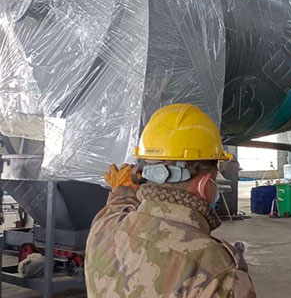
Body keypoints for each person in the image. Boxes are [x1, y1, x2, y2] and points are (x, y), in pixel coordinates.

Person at [85, 104, 256, 298]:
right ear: (204, 184)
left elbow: (115, 206)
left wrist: (123, 189)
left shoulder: (103, 228)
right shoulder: (220, 272)